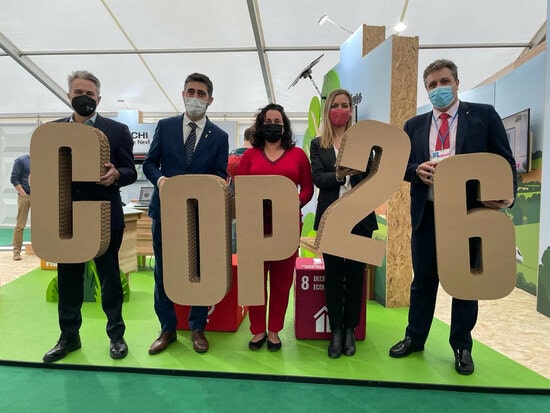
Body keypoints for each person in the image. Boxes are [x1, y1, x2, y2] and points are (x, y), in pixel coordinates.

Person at [388, 59, 517, 375]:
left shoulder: (483, 116)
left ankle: (461, 346)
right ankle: (414, 338)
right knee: (423, 282)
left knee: (465, 284)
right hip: (428, 215)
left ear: (457, 82)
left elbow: (505, 160)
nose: (438, 89)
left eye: (443, 82)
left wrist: (508, 194)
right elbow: (401, 167)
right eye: (432, 85)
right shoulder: (414, 126)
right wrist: (415, 171)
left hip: (469, 214)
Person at [43, 70, 137, 362]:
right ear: (69, 95)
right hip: (66, 218)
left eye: (90, 94)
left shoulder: (117, 131)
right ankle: (68, 337)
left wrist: (116, 174)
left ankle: (117, 337)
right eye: (78, 93)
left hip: (104, 216)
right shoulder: (52, 132)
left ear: (99, 98)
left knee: (109, 278)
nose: (84, 98)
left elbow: (131, 171)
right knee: (68, 277)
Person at [143, 72, 229, 355]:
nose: (195, 97)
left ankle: (197, 328)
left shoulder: (219, 136)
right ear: (182, 94)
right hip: (165, 211)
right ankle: (167, 329)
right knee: (163, 271)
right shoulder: (165, 127)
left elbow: (219, 174)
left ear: (210, 100)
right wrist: (160, 180)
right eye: (190, 91)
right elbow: (150, 163)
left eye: (201, 93)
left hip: (200, 215)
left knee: (199, 270)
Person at [236, 103, 314, 351]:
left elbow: (308, 189)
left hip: (287, 227)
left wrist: (292, 204)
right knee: (255, 280)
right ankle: (257, 330)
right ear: (260, 125)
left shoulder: (298, 155)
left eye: (277, 121)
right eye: (268, 121)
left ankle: (274, 331)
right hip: (254, 228)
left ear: (284, 126)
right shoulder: (249, 157)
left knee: (281, 281)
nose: (273, 125)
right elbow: (240, 189)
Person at [310, 89, 378, 358]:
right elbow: (318, 178)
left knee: (356, 276)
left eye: (345, 105)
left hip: (359, 219)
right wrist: (340, 176)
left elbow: (372, 176)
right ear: (328, 111)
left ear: (352, 110)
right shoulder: (319, 144)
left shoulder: (363, 143)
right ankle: (335, 330)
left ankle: (351, 328)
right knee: (334, 277)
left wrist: (357, 172)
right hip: (332, 219)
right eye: (335, 105)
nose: (340, 109)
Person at [10, 153, 31, 261]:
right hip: (25, 196)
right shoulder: (21, 160)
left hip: (39, 198)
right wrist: (23, 193)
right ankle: (16, 252)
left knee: (42, 226)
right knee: (20, 225)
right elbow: (14, 179)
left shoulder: (42, 161)